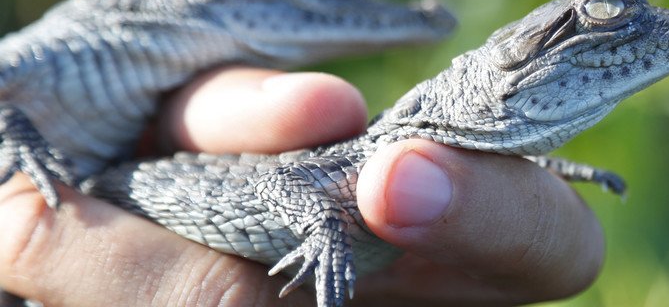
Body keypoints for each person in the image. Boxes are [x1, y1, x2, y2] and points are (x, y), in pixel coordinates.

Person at [0, 66, 604, 306]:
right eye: (607, 16)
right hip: (109, 195)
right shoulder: (368, 161)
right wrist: (324, 232)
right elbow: (286, 180)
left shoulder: (425, 166)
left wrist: (531, 165)